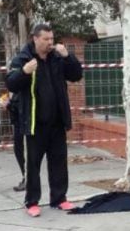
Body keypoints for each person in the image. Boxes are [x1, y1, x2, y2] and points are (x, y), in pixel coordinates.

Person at [6, 24, 83, 217]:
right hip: (34, 124)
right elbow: (11, 84)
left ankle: (59, 198)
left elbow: (76, 75)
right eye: (46, 39)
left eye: (51, 39)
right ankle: (31, 201)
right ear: (35, 39)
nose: (50, 43)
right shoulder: (23, 59)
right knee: (33, 164)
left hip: (57, 122)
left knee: (58, 162)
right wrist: (24, 72)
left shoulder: (57, 57)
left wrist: (68, 57)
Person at [0, 90, 26, 192]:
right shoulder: (16, 92)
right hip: (18, 125)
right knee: (19, 151)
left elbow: (20, 108)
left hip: (23, 125)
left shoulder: (21, 91)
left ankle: (27, 178)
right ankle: (25, 177)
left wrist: (9, 105)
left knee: (23, 152)